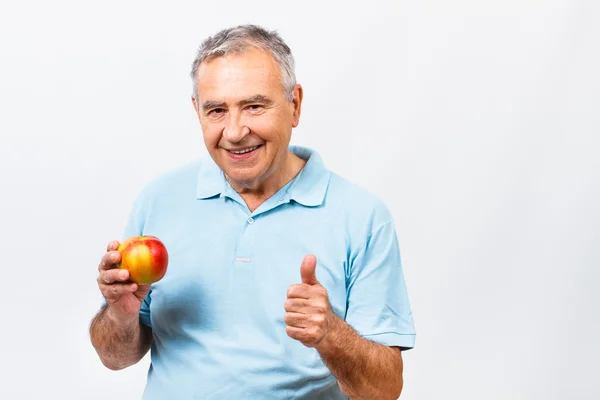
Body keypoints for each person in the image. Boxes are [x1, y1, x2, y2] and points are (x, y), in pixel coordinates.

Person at [89, 24, 416, 400]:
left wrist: (330, 334)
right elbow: (114, 358)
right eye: (216, 110)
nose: (234, 131)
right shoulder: (159, 199)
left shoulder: (362, 216)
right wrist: (121, 314)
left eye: (254, 106)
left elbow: (385, 390)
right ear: (197, 111)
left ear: (295, 104)